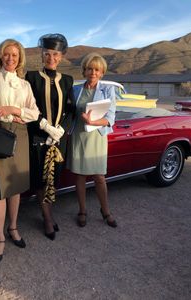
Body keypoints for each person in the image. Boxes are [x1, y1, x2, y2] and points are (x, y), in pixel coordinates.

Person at [0, 39, 39, 265]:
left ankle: (13, 228)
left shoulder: (24, 85)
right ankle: (0, 238)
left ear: (20, 58)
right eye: (6, 54)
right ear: (0, 56)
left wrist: (14, 110)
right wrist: (10, 116)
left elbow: (34, 113)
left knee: (15, 188)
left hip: (21, 136)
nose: (10, 58)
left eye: (15, 55)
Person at [26, 33, 75, 240]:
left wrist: (61, 130)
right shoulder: (31, 77)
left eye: (55, 54)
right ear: (42, 54)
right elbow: (27, 107)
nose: (51, 58)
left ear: (61, 56)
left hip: (59, 140)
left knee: (53, 179)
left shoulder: (68, 80)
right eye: (47, 53)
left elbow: (71, 110)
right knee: (40, 179)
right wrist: (45, 127)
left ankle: (48, 213)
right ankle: (47, 218)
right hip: (38, 137)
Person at [67, 52, 117, 228]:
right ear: (84, 70)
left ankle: (106, 211)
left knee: (99, 177)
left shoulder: (108, 90)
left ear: (102, 72)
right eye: (89, 69)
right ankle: (82, 210)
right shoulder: (75, 90)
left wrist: (93, 121)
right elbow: (69, 112)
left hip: (96, 137)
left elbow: (111, 117)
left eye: (97, 69)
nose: (93, 72)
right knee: (79, 176)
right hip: (78, 136)